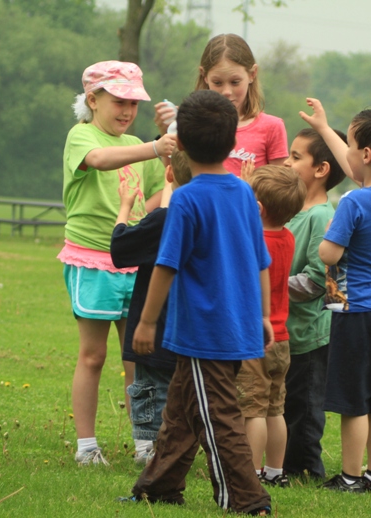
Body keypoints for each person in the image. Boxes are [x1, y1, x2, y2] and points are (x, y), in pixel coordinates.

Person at [126, 90, 273, 516]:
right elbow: (261, 261)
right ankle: (158, 488)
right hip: (239, 324)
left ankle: (248, 501)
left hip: (204, 332)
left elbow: (166, 265)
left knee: (220, 418)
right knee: (180, 412)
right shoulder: (244, 193)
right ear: (232, 144)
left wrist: (148, 322)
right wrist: (264, 315)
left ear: (182, 145)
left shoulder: (188, 197)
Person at [59, 60, 176, 466]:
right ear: (93, 100)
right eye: (119, 101)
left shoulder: (143, 145)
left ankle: (145, 442)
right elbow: (100, 160)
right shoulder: (82, 136)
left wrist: (170, 146)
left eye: (134, 103)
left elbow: (160, 195)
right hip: (92, 260)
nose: (127, 111)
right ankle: (86, 446)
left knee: (139, 358)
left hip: (136, 263)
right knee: (93, 356)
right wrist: (155, 147)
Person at [304, 98, 371, 493]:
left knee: (352, 403)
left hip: (356, 313)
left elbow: (328, 254)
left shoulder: (353, 202)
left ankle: (350, 477)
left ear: (365, 154)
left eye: (349, 146)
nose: (346, 155)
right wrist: (325, 128)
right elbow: (359, 173)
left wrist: (334, 232)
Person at [110, 151, 192, 465]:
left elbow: (120, 249)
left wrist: (125, 207)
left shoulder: (162, 220)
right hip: (192, 327)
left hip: (155, 326)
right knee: (183, 390)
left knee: (148, 387)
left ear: (169, 176)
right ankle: (179, 447)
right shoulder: (209, 215)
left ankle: (148, 450)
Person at [281, 128, 347, 481]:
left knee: (304, 407)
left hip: (308, 335)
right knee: (281, 403)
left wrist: (268, 287)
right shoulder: (291, 210)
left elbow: (317, 281)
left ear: (321, 169)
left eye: (295, 157)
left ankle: (305, 469)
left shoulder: (321, 216)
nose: (286, 162)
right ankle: (280, 463)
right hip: (283, 331)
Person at [236, 165, 306, 488]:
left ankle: (248, 474)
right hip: (281, 340)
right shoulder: (288, 238)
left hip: (254, 340)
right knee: (275, 409)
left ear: (258, 208)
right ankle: (275, 472)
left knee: (252, 410)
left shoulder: (253, 242)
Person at [154, 33, 287, 176]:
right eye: (217, 83)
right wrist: (167, 133)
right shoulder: (192, 124)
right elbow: (174, 178)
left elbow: (279, 191)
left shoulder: (272, 128)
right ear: (204, 76)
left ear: (252, 74)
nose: (226, 92)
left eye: (235, 82)